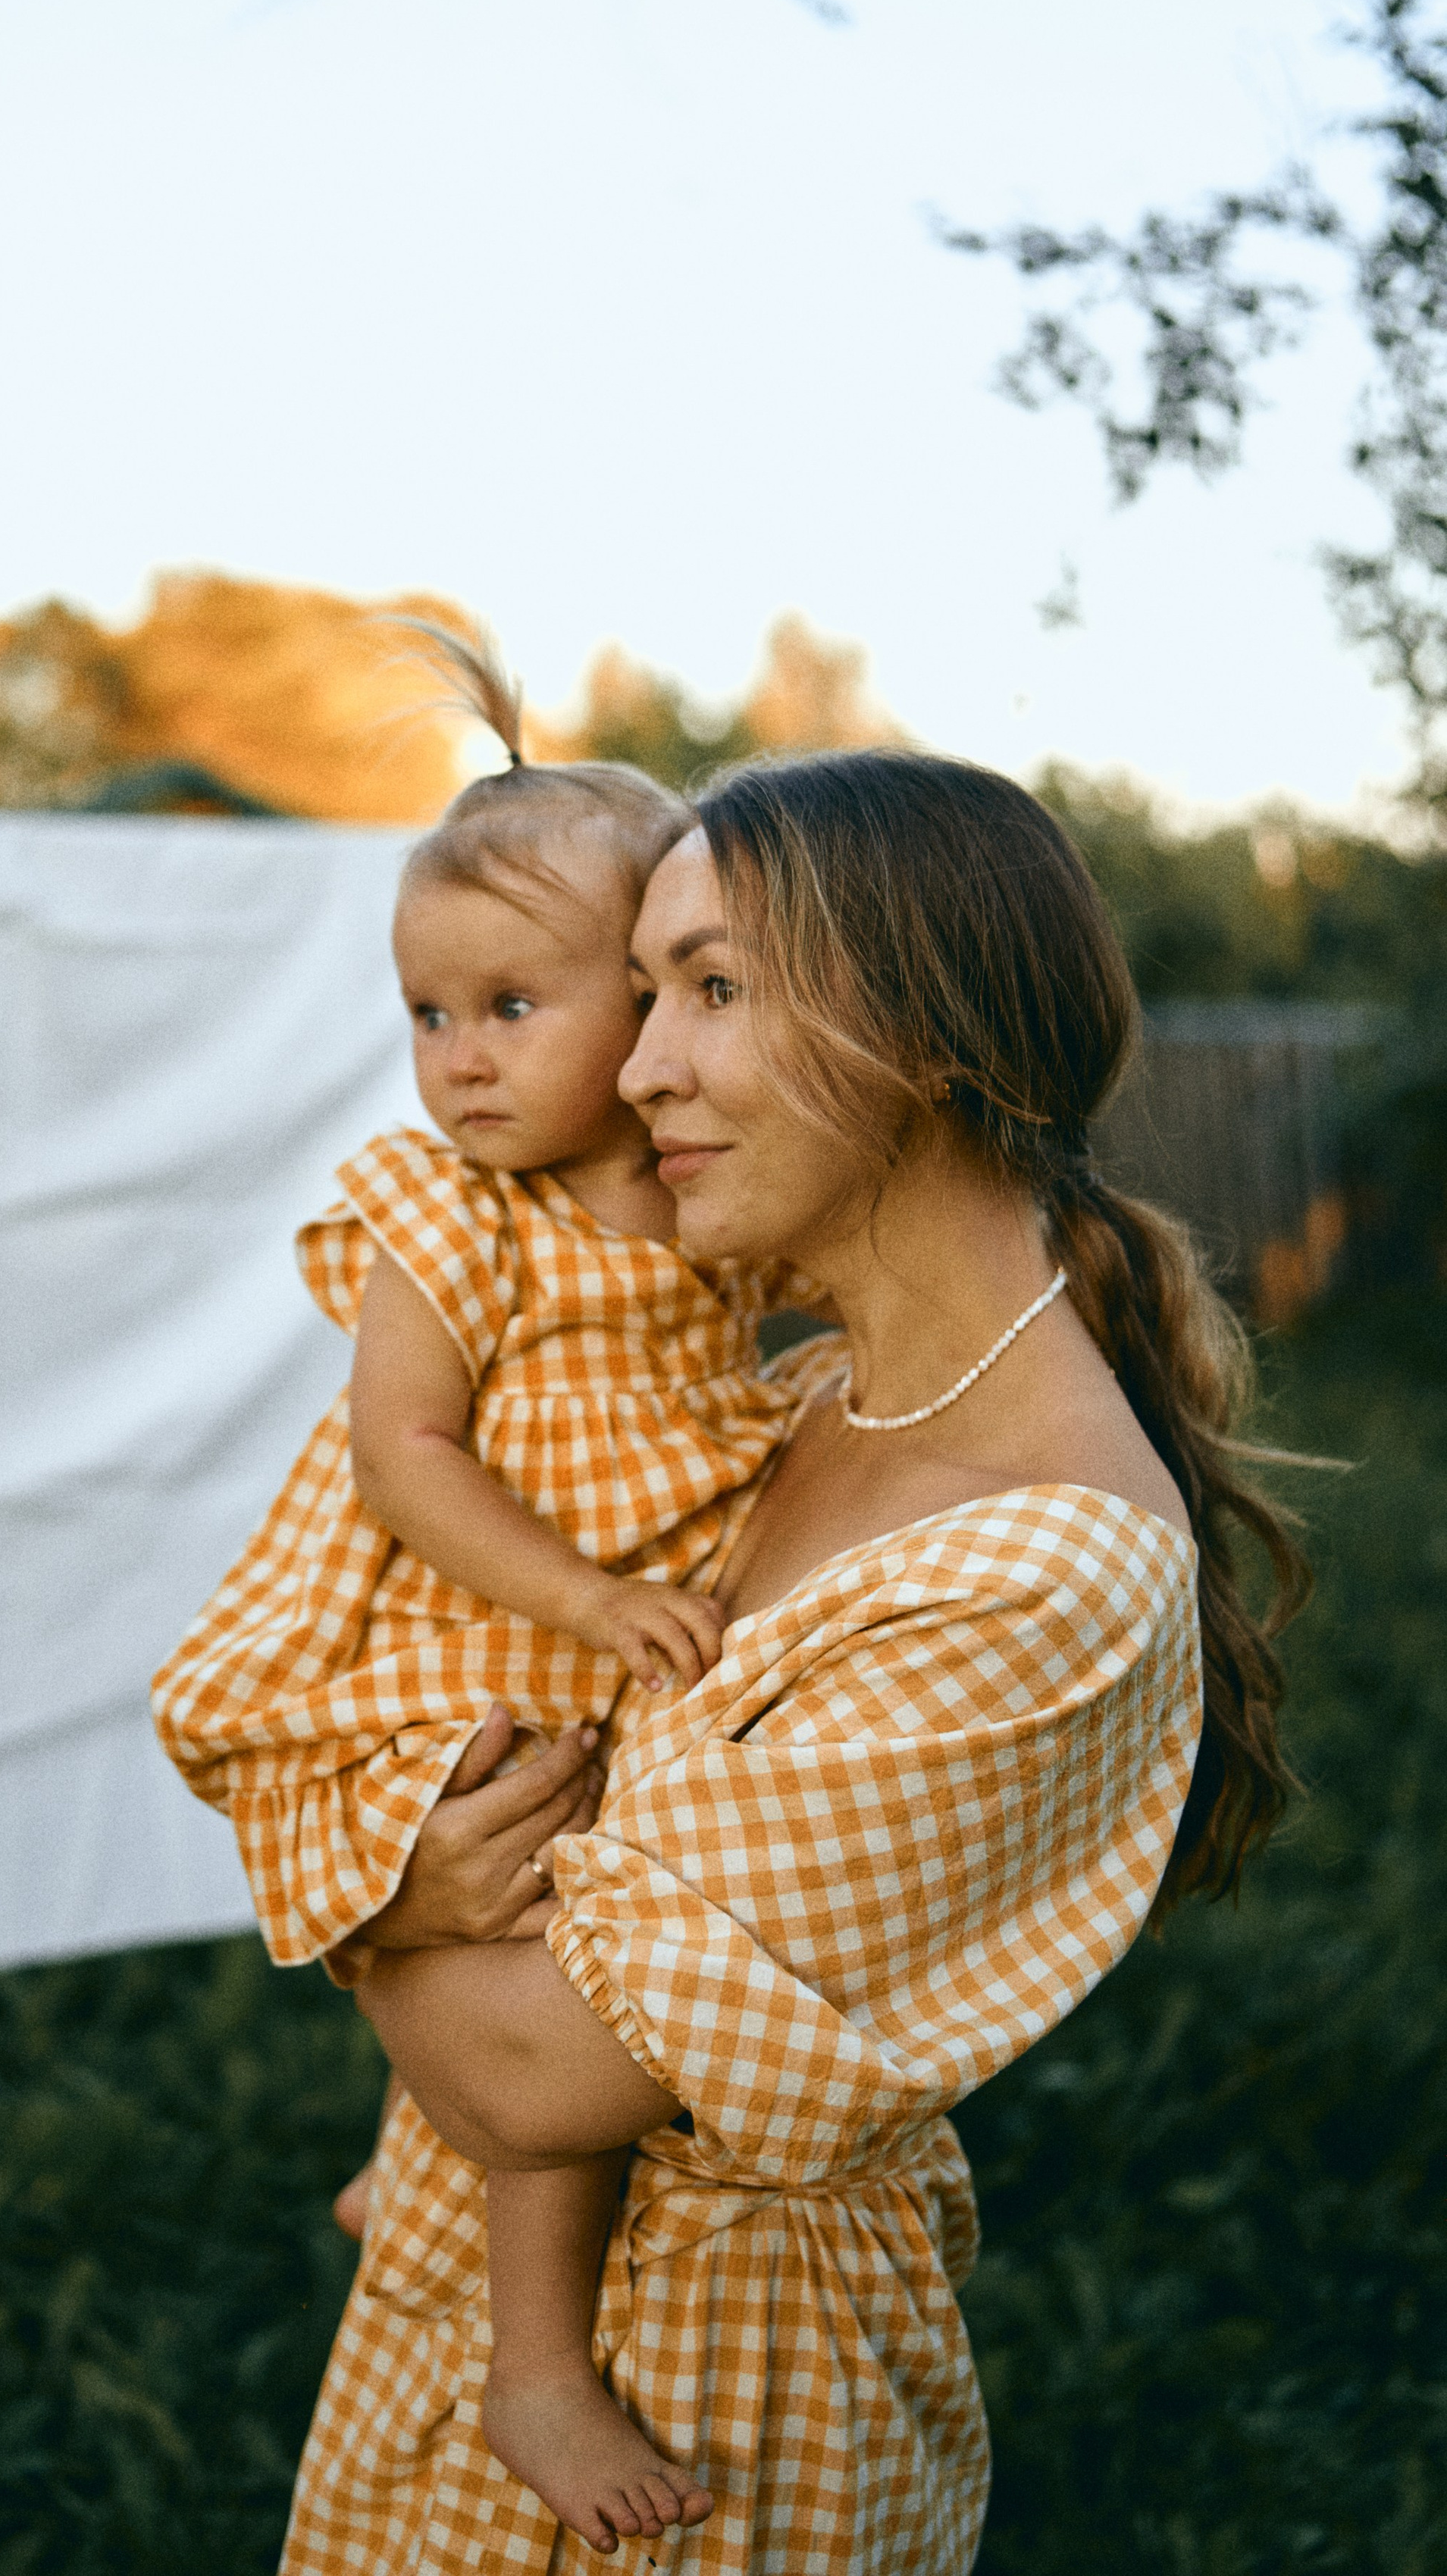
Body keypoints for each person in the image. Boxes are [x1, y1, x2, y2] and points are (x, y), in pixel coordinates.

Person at [275, 748, 1306, 2574]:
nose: (640, 1062)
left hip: (711, 2430)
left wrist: (346, 1858)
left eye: (716, 989)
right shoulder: (801, 1408)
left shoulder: (1040, 1570)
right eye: (647, 985)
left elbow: (528, 2076)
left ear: (923, 1033)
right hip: (448, 2351)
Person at [150, 639, 810, 2548]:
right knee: (541, 1969)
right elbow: (407, 1456)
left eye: (508, 1005)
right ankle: (536, 2364)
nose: (456, 1058)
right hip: (461, 1646)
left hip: (593, 1657)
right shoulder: (445, 1215)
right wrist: (592, 1602)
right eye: (427, 1012)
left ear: (655, 998)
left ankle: (404, 2151)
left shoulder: (702, 1210)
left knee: (571, 1953)